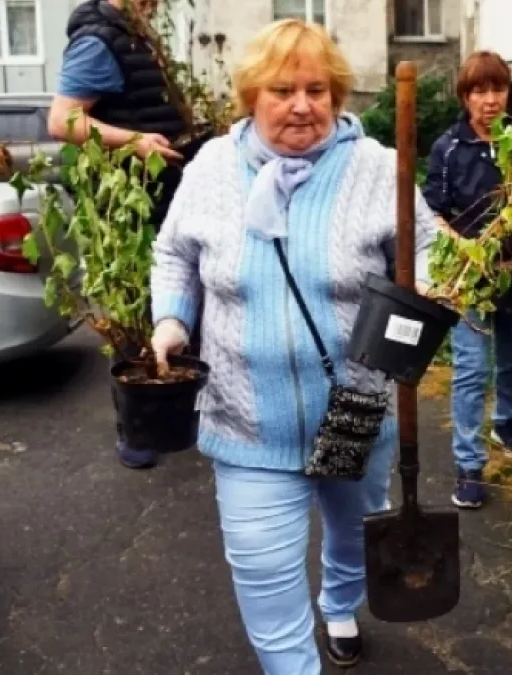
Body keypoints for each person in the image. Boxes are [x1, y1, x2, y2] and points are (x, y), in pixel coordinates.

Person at [148, 19, 440, 673]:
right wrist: (171, 319)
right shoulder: (213, 170)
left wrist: (449, 275)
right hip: (248, 418)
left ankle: (339, 603)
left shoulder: (375, 170)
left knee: (351, 531)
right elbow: (174, 253)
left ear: (337, 96)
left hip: (356, 407)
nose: (303, 104)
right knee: (263, 570)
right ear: (252, 96)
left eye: (318, 88)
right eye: (283, 89)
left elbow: (426, 253)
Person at [51, 0, 199, 471]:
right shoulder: (98, 38)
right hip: (128, 205)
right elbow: (63, 119)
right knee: (133, 316)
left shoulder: (133, 31)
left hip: (155, 194)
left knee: (162, 310)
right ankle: (136, 432)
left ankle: (167, 418)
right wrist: (134, 142)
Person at [422, 51, 512, 509]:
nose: (490, 99)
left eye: (497, 89)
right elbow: (434, 213)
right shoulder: (449, 148)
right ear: (465, 97)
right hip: (471, 277)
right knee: (469, 370)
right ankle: (468, 465)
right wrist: (466, 250)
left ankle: (506, 422)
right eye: (480, 91)